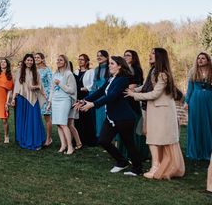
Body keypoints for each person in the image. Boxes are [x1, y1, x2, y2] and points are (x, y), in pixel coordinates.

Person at [77, 55, 142, 176]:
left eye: (112, 63)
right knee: (103, 140)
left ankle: (137, 169)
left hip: (124, 117)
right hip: (111, 117)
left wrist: (93, 105)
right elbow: (100, 92)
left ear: (120, 66)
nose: (109, 65)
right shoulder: (111, 78)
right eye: (109, 63)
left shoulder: (122, 79)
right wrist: (84, 100)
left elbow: (112, 96)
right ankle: (122, 161)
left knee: (129, 143)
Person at [125, 48, 185, 179]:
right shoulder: (153, 71)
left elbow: (155, 93)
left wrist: (134, 94)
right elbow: (147, 87)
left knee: (155, 139)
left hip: (162, 111)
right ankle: (156, 165)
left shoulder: (162, 74)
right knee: (153, 138)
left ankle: (156, 167)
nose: (149, 55)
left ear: (159, 57)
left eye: (152, 53)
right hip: (154, 109)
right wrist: (135, 89)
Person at [13, 53, 47, 150]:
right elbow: (17, 86)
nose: (29, 62)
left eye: (31, 60)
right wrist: (13, 99)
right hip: (22, 98)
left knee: (34, 120)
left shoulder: (36, 72)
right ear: (24, 61)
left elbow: (41, 86)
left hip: (33, 98)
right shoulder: (20, 71)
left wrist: (34, 87)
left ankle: (36, 142)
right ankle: (24, 140)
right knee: (23, 120)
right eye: (28, 60)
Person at [184, 52, 212, 162]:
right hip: (195, 101)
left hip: (209, 101)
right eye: (198, 58)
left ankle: (208, 151)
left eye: (203, 58)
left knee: (208, 124)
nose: (200, 60)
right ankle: (195, 152)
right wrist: (186, 102)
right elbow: (189, 89)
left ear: (208, 60)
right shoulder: (193, 72)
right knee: (195, 124)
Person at [49, 54, 78, 154]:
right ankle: (63, 145)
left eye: (61, 60)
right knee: (58, 124)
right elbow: (52, 89)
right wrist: (50, 102)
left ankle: (70, 147)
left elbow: (72, 90)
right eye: (57, 60)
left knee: (63, 123)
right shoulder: (55, 74)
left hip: (64, 100)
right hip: (55, 100)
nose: (58, 62)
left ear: (65, 62)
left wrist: (60, 84)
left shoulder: (69, 74)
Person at [74, 54, 97, 146]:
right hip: (76, 96)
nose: (80, 61)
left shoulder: (91, 71)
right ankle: (79, 138)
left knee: (87, 118)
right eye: (79, 59)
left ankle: (89, 140)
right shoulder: (75, 71)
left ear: (87, 61)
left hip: (86, 96)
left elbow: (92, 84)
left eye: (82, 60)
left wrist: (84, 88)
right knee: (77, 118)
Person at [35, 52, 54, 147]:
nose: (36, 59)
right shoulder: (33, 70)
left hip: (46, 96)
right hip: (35, 96)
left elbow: (52, 84)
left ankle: (48, 138)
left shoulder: (47, 70)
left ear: (42, 59)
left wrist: (50, 98)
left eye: (38, 57)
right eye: (35, 57)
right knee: (37, 117)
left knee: (47, 117)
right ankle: (40, 136)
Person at [90, 50, 110, 137]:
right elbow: (94, 84)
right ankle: (102, 137)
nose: (99, 57)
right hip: (98, 97)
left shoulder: (110, 68)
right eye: (97, 55)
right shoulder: (96, 69)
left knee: (107, 118)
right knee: (99, 118)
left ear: (107, 57)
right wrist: (91, 96)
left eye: (101, 55)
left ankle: (110, 138)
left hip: (108, 97)